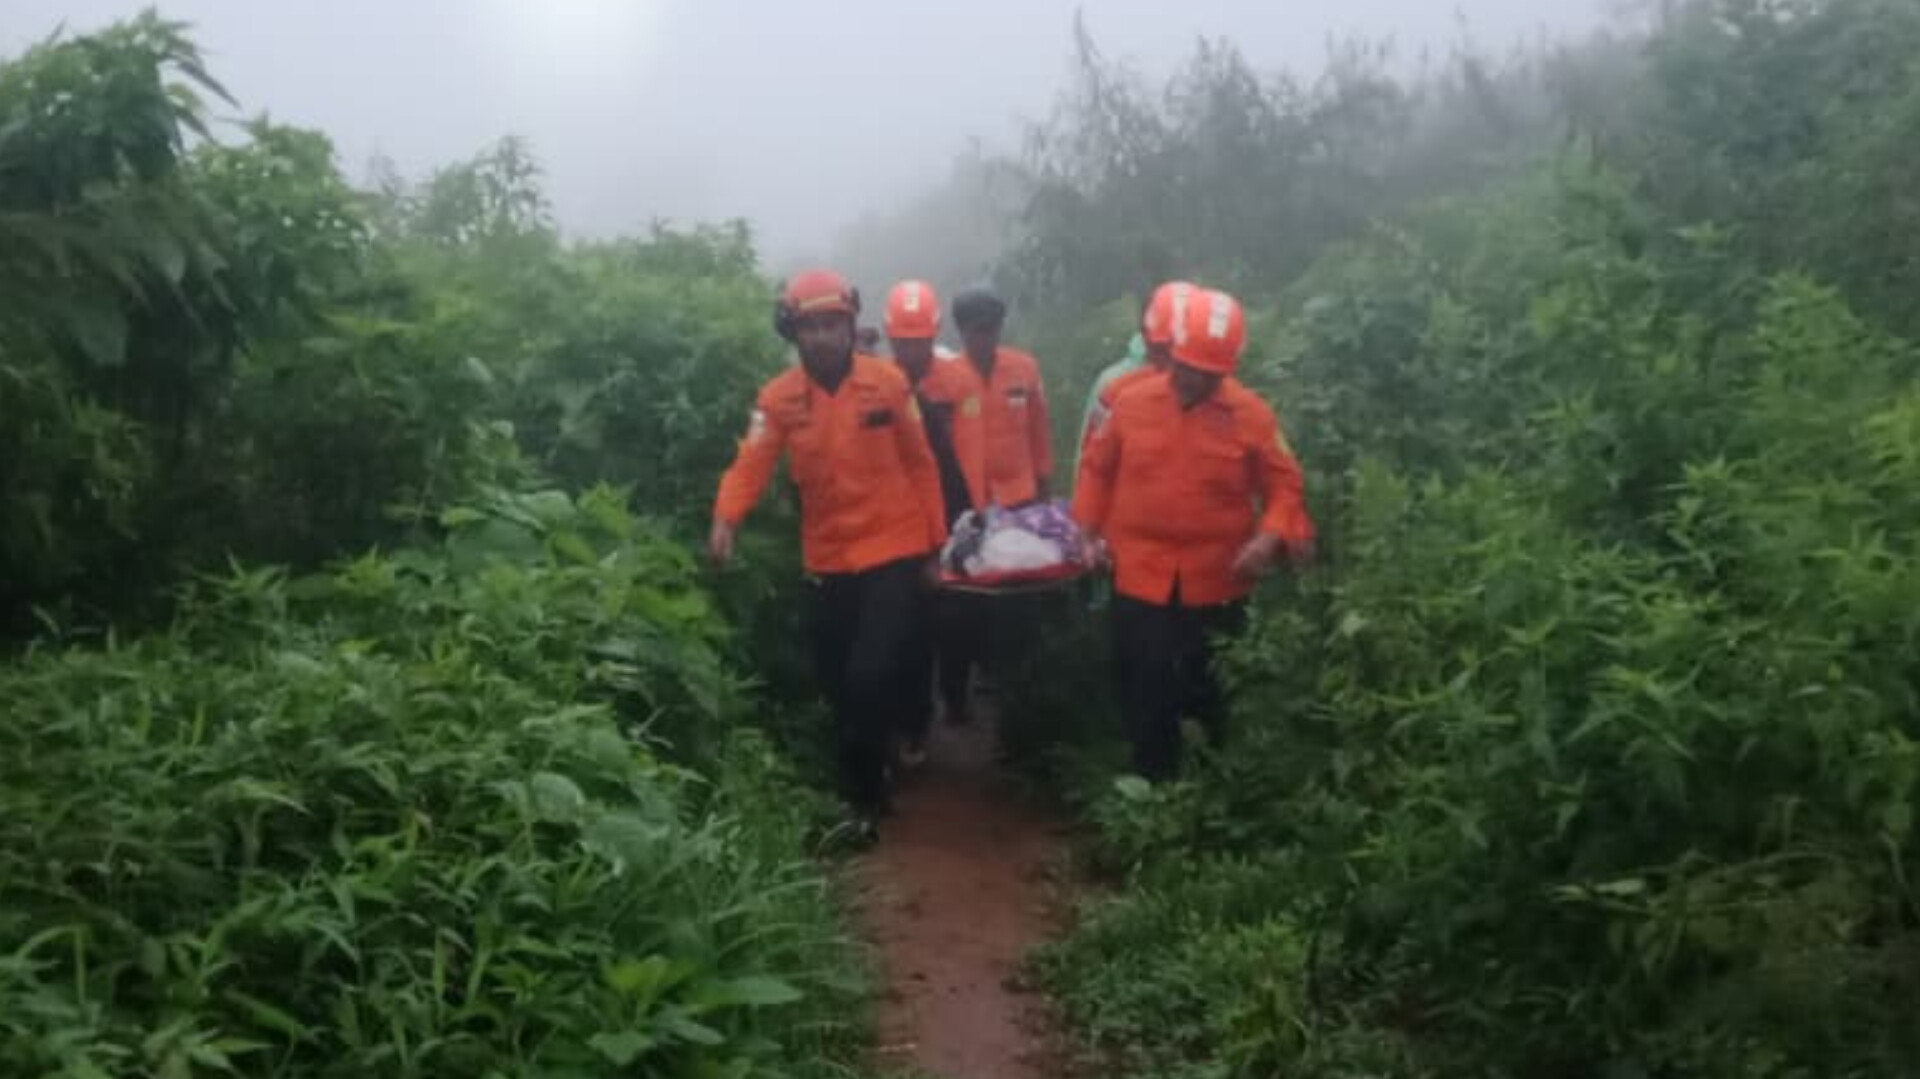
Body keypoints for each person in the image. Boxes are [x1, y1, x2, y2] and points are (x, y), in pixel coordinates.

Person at [710, 268, 949, 839]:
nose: (822, 337)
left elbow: (921, 464)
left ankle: (862, 801)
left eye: (833, 325)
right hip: (828, 559)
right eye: (811, 327)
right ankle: (874, 763)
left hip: (893, 547)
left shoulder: (889, 384)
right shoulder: (778, 400)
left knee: (869, 672)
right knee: (838, 682)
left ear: (850, 326)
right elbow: (751, 463)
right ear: (793, 332)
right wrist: (725, 520)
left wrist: (934, 548)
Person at [1072, 287, 1315, 780]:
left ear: (1225, 370)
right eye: (1185, 367)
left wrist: (1268, 537)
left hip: (1218, 581)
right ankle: (1152, 788)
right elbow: (1097, 469)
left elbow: (1286, 485)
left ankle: (1211, 785)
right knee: (1145, 684)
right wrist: (1088, 533)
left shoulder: (1252, 415)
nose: (1191, 380)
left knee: (1210, 688)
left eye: (1206, 374)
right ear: (1172, 353)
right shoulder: (1130, 403)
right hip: (1139, 575)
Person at [937, 285, 1055, 725]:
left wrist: (1044, 488)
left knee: (1018, 604)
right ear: (962, 331)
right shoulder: (946, 378)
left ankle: (1015, 695)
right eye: (976, 330)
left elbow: (1039, 431)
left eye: (991, 329)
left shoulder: (1024, 369)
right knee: (961, 605)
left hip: (1019, 503)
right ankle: (954, 697)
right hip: (969, 509)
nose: (984, 337)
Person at [882, 279, 975, 765]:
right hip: (892, 523)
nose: (912, 350)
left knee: (952, 617)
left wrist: (964, 521)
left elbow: (964, 457)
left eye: (919, 341)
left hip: (948, 514)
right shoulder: (879, 385)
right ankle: (912, 723)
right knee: (907, 629)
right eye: (903, 341)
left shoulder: (958, 381)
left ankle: (954, 699)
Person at [1072, 280, 1193, 480]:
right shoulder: (1113, 383)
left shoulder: (1204, 383)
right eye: (1163, 348)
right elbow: (1088, 462)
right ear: (1146, 334)